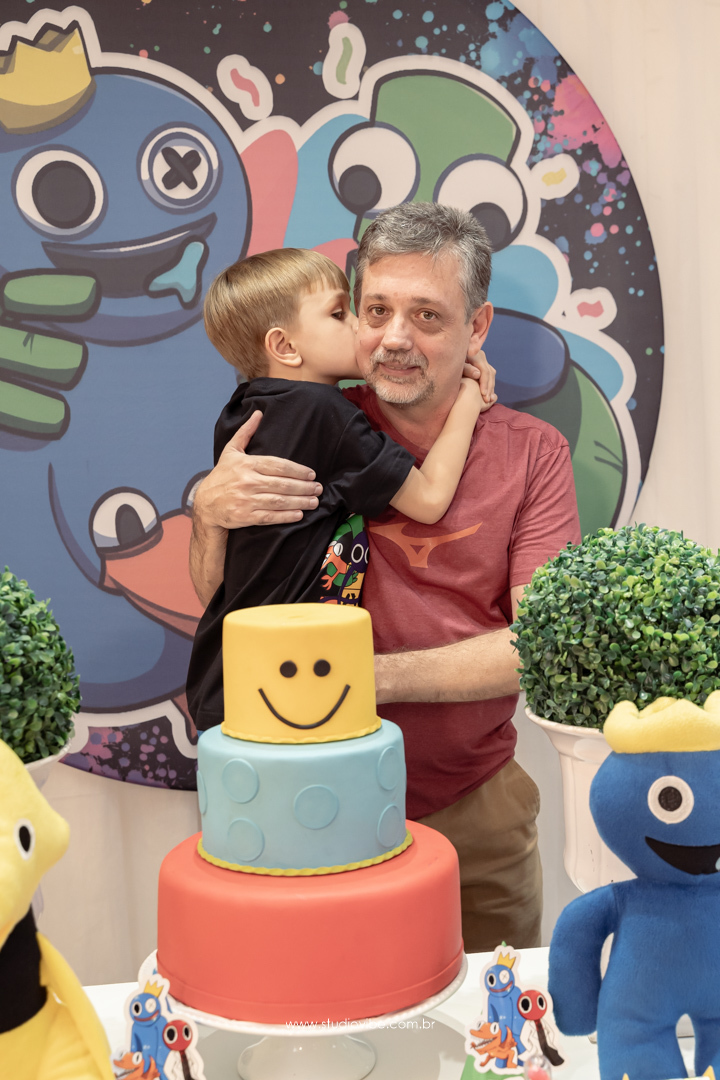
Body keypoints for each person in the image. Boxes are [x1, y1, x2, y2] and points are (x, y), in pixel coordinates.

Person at [189, 203, 581, 951]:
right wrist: (209, 512)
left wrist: (355, 680)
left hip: (475, 809)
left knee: (495, 1011)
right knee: (324, 1005)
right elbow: (229, 602)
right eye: (373, 310)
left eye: (427, 315)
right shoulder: (302, 421)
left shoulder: (533, 454)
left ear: (478, 326)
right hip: (308, 799)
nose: (394, 337)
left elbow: (538, 644)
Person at [186, 247, 495, 730]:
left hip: (227, 671)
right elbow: (430, 499)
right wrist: (470, 397)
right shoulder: (324, 412)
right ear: (285, 346)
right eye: (338, 314)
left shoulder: (242, 410)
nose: (360, 327)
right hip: (289, 679)